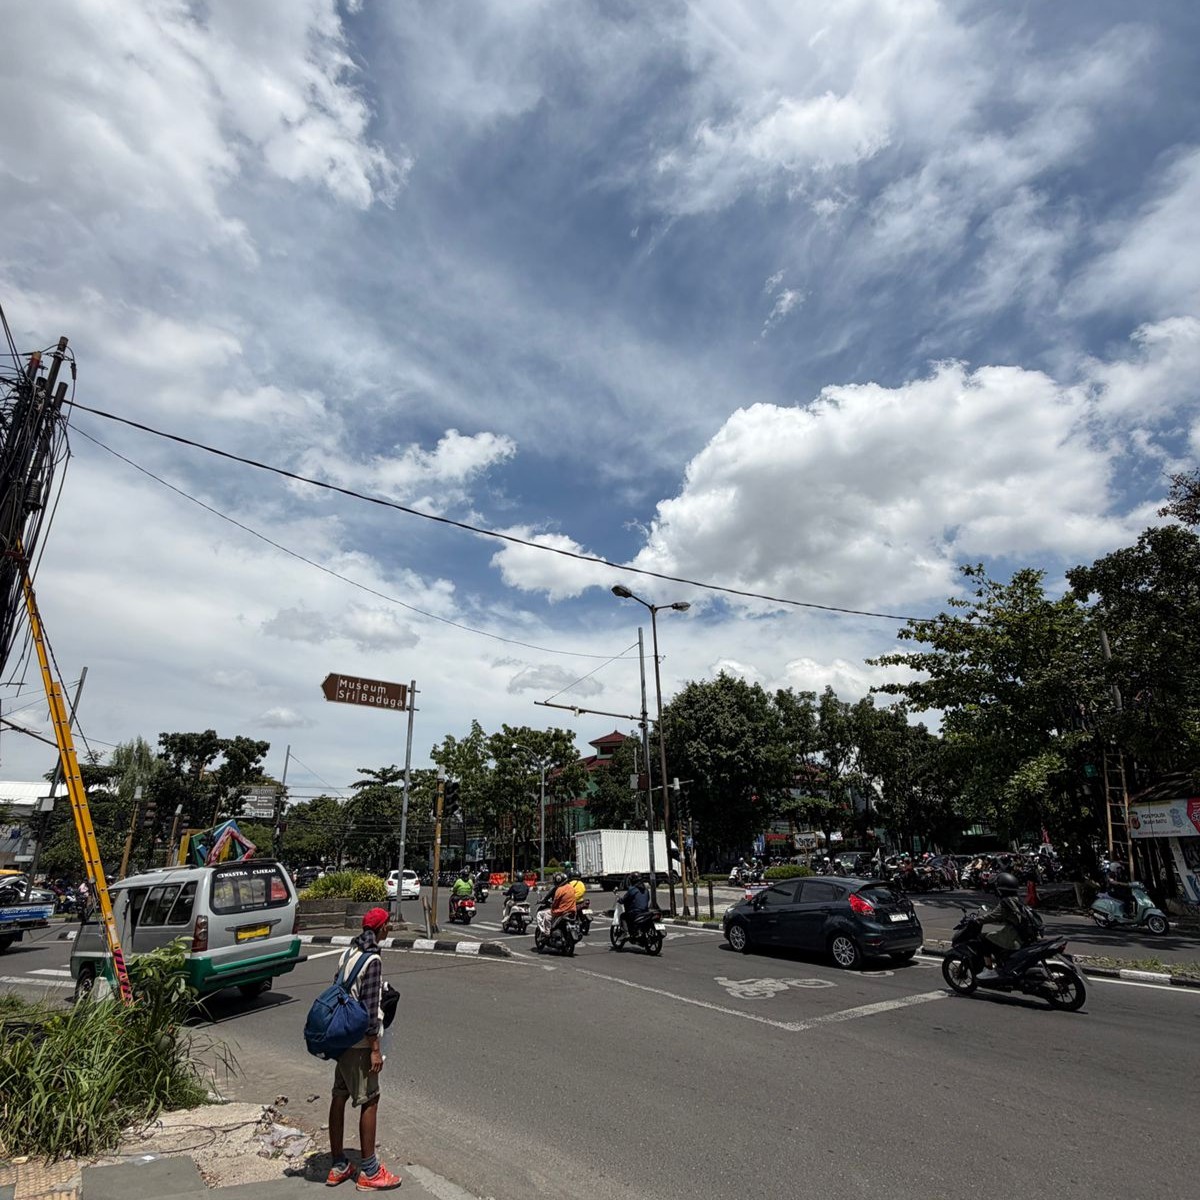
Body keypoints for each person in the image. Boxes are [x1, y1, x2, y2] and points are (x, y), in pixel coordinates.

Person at [326, 907, 401, 1190]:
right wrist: (374, 1049)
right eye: (387, 925)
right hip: (360, 1043)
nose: (388, 929)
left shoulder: (348, 953)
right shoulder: (372, 960)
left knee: (339, 1096)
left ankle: (338, 1164)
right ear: (381, 929)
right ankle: (370, 1171)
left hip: (342, 1038)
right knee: (370, 1099)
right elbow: (370, 1009)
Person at [978, 872, 1042, 979]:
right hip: (1027, 933)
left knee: (983, 938)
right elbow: (1008, 917)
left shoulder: (1006, 902)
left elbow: (993, 916)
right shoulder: (1017, 899)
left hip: (1014, 935)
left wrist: (977, 920)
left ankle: (989, 970)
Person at [543, 871, 577, 938]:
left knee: (546, 915)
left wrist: (552, 907)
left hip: (561, 911)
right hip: (572, 910)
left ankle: (547, 933)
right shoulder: (571, 887)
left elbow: (555, 903)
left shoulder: (559, 890)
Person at [621, 871, 651, 936]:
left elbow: (624, 899)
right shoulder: (645, 889)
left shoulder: (632, 890)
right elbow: (648, 899)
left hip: (635, 913)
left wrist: (620, 900)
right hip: (645, 911)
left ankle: (626, 933)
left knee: (623, 916)